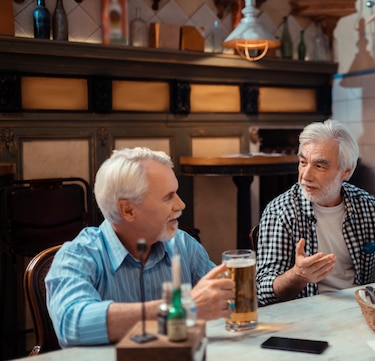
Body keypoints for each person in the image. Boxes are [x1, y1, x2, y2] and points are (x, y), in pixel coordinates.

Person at [46, 147, 235, 347]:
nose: (181, 205)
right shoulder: (78, 255)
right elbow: (72, 324)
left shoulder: (182, 244)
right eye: (168, 197)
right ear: (128, 210)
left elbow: (228, 300)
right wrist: (179, 308)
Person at [256, 119, 375, 306]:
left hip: (361, 309)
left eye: (319, 166)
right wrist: (299, 275)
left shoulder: (366, 206)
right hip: (305, 317)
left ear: (346, 172)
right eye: (303, 162)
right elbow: (264, 291)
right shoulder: (280, 211)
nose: (305, 175)